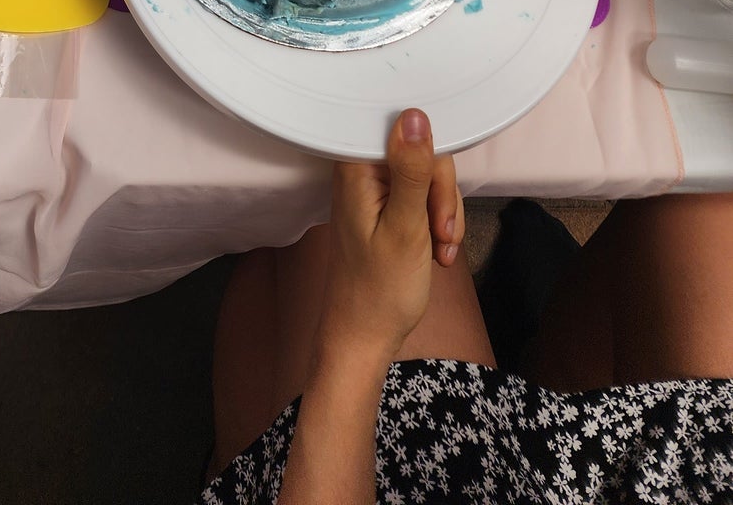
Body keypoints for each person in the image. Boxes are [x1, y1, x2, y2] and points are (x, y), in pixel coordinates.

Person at [204, 107, 733, 502]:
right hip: (688, 461)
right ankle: (537, 381)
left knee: (318, 211)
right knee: (709, 154)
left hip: (434, 479)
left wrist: (358, 337)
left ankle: (239, 459)